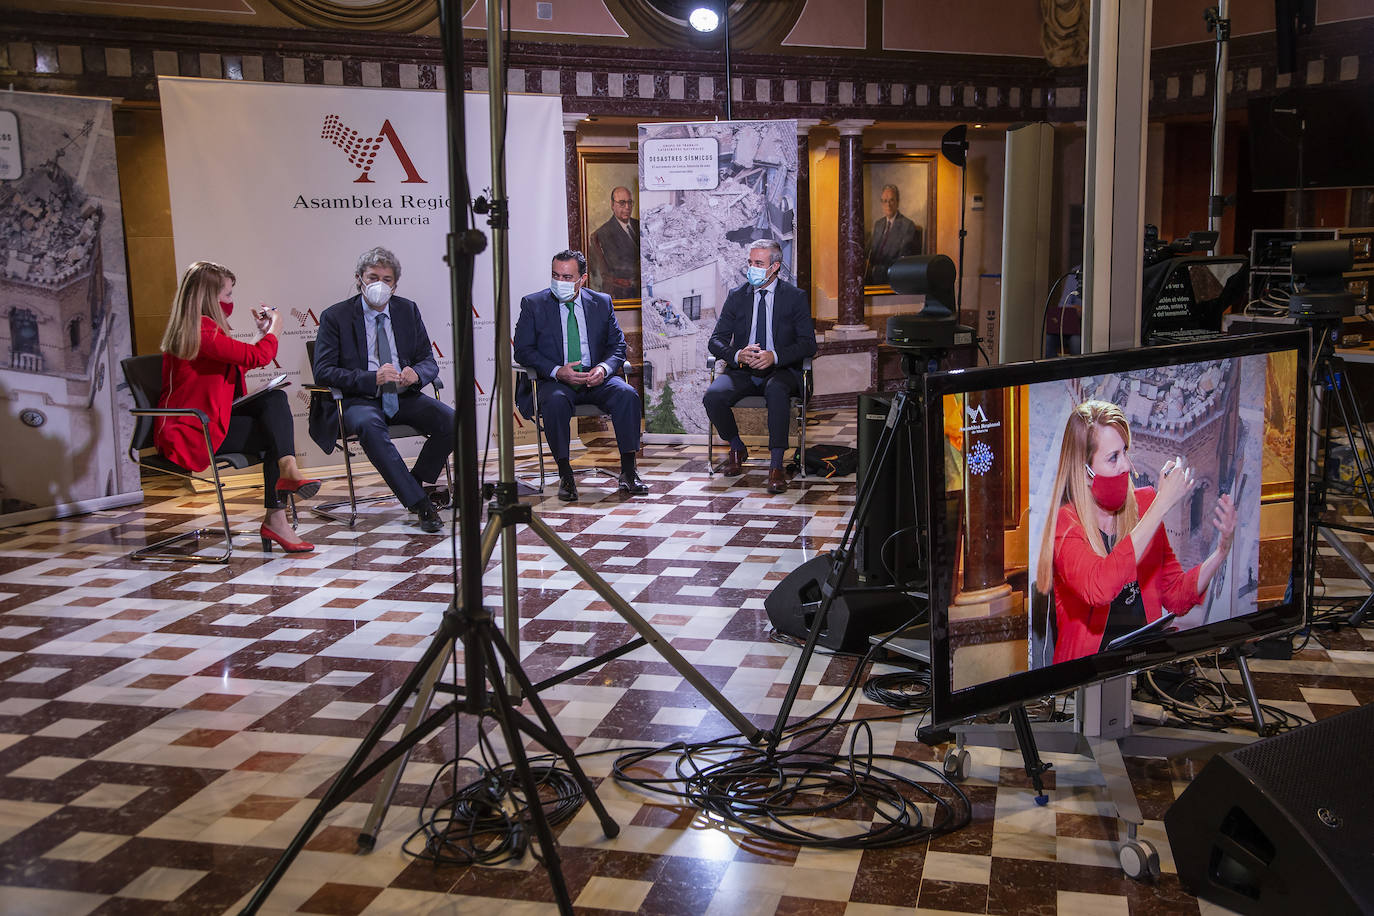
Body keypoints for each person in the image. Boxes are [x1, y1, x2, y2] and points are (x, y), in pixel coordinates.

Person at [1034, 400, 1237, 664]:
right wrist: (1161, 505)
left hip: (1144, 668)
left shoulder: (1144, 504)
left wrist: (1221, 552)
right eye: (1113, 458)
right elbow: (1099, 588)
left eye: (1125, 452)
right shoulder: (1066, 525)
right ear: (1084, 472)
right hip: (1089, 676)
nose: (1126, 466)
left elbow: (1176, 596)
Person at [155, 260, 319, 554]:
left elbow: (236, 365)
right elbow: (257, 358)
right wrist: (275, 329)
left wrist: (261, 335)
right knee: (275, 435)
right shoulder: (201, 329)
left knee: (274, 401)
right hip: (192, 430)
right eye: (228, 294)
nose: (231, 301)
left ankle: (286, 477)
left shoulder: (201, 328)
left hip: (208, 420)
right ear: (209, 296)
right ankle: (277, 514)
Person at [312, 247, 453, 533]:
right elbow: (323, 371)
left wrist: (417, 373)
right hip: (359, 399)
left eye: (386, 280)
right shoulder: (335, 316)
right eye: (373, 277)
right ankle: (421, 504)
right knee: (370, 426)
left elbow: (428, 360)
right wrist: (370, 378)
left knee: (452, 421)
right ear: (359, 279)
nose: (380, 285)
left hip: (403, 395)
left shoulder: (407, 309)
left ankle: (413, 482)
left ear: (395, 285)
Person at [514, 249, 649, 502]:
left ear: (582, 279)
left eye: (567, 277)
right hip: (556, 381)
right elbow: (523, 350)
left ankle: (629, 471)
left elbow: (618, 346)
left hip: (595, 378)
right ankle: (565, 474)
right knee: (555, 401)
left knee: (627, 395)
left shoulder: (601, 302)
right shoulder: (533, 304)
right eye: (555, 275)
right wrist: (557, 371)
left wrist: (603, 368)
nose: (560, 282)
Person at [704, 238, 817, 494]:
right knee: (713, 397)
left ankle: (776, 466)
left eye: (758, 263)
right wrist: (738, 355)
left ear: (774, 267)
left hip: (781, 371)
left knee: (776, 391)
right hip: (743, 371)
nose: (751, 268)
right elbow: (716, 340)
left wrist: (774, 356)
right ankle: (736, 447)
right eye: (750, 262)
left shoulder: (795, 297)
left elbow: (808, 344)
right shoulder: (737, 296)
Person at [587, 186, 640, 299]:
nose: (627, 207)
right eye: (622, 203)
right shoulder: (602, 234)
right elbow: (619, 268)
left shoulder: (640, 225)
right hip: (623, 294)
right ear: (612, 205)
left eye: (630, 202)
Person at [865, 184, 922, 284]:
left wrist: (876, 270)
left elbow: (903, 261)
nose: (888, 205)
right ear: (881, 203)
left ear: (897, 202)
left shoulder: (907, 226)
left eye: (891, 200)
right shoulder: (878, 224)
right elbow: (870, 251)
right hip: (871, 277)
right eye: (885, 201)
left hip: (892, 279)